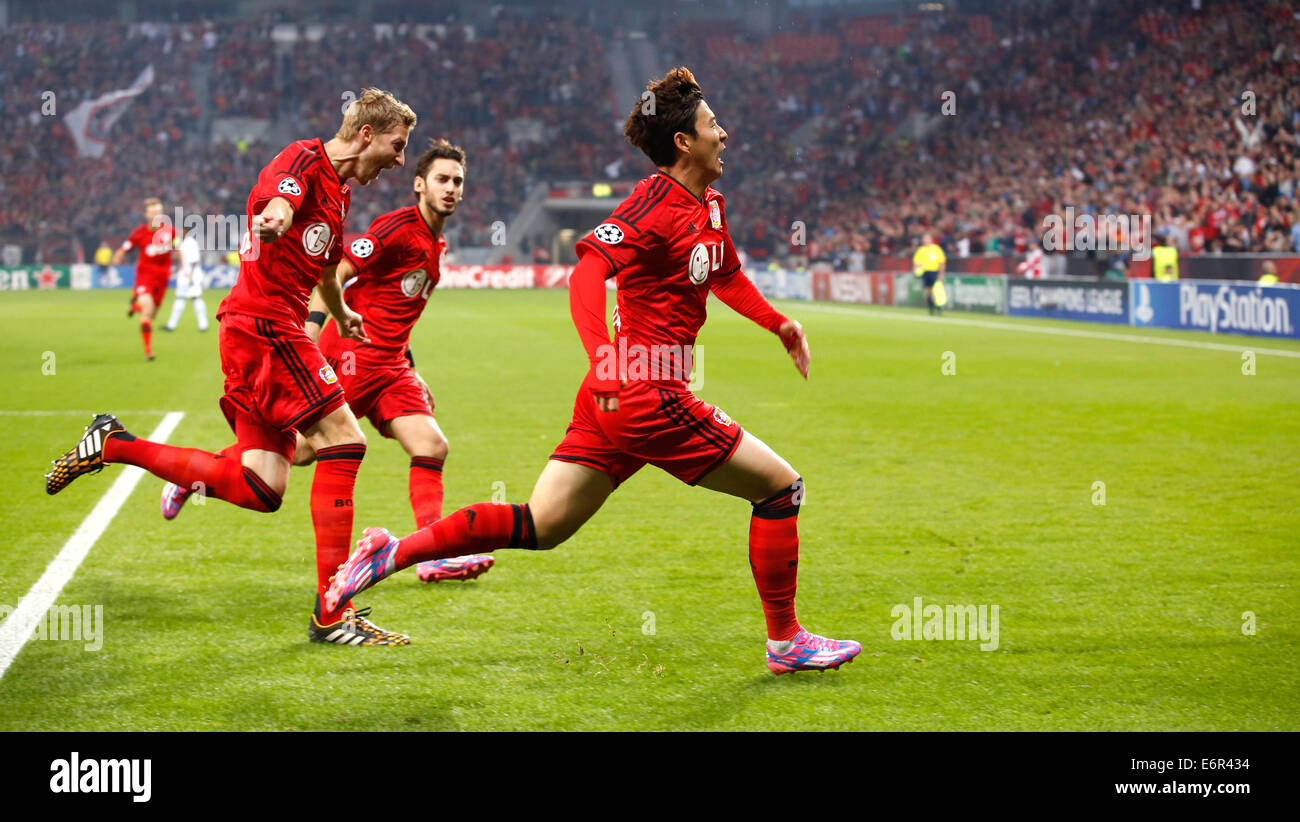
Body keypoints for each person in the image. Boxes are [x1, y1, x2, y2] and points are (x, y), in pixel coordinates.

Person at [325, 68, 861, 674]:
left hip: (614, 399)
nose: (725, 134)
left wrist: (777, 323)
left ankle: (389, 554)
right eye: (714, 125)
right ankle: (786, 642)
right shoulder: (652, 204)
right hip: (645, 388)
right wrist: (604, 354)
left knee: (542, 524)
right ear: (684, 142)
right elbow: (585, 273)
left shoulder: (708, 204)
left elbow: (726, 274)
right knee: (780, 488)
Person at [45, 89, 418, 647]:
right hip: (267, 326)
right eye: (397, 145)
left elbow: (320, 270)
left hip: (252, 327)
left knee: (261, 486)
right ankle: (332, 613)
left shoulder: (339, 193)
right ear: (368, 134)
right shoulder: (301, 160)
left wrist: (344, 312)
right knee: (345, 440)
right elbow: (278, 204)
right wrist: (272, 220)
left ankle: (112, 444)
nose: (399, 159)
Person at [163, 139, 494, 584]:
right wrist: (313, 332)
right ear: (419, 185)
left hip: (392, 366)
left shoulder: (437, 245)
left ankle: (431, 551)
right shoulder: (396, 228)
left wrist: (411, 366)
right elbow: (334, 274)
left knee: (432, 445)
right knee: (299, 452)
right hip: (353, 359)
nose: (451, 188)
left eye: (457, 181)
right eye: (441, 179)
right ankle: (197, 474)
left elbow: (397, 312)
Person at [113, 198, 174, 360]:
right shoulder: (139, 233)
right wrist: (117, 257)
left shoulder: (170, 231)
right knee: (147, 313)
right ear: (146, 215)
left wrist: (185, 268)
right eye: (153, 212)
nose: (156, 215)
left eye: (158, 212)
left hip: (162, 279)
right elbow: (125, 248)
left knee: (151, 315)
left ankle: (135, 306)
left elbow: (179, 248)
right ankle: (148, 351)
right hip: (144, 278)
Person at [162, 228, 209, 332]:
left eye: (182, 230)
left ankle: (203, 325)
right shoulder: (180, 242)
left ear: (186, 231)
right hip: (184, 273)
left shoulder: (191, 243)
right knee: (181, 297)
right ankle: (171, 325)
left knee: (196, 297)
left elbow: (194, 261)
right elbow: (182, 260)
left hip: (191, 274)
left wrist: (191, 277)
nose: (179, 233)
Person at [912, 232, 946, 315]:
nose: (925, 240)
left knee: (937, 290)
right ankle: (931, 308)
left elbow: (942, 262)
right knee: (928, 291)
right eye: (924, 238)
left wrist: (941, 273)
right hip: (925, 272)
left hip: (934, 272)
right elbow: (916, 262)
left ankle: (939, 308)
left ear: (931, 239)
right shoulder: (921, 250)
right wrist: (915, 269)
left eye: (927, 238)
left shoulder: (936, 249)